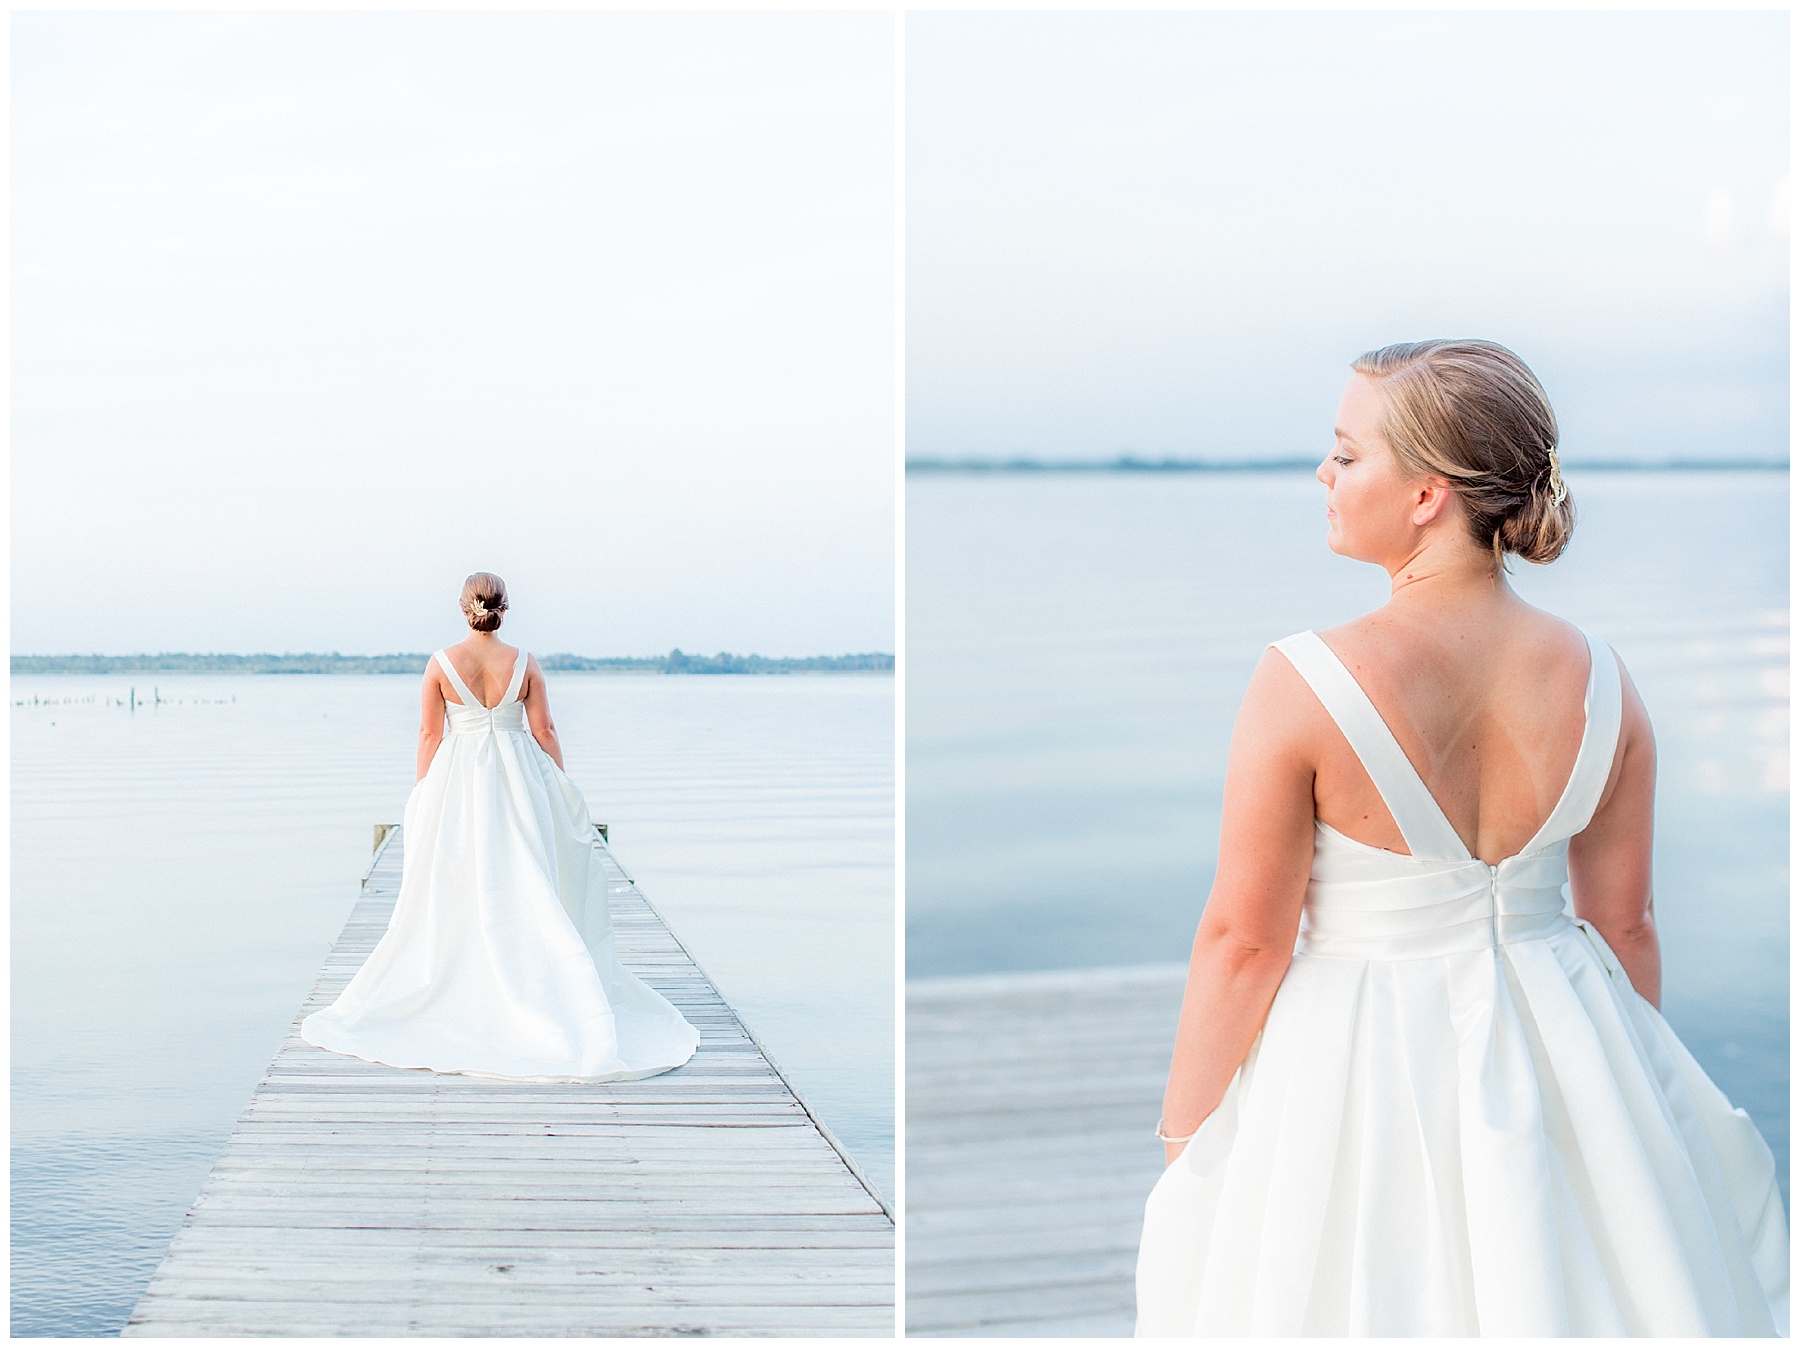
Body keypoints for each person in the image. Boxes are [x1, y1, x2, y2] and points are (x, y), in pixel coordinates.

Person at [1134, 341, 1787, 1337]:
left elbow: (1245, 941)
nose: (1323, 474)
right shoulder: (1605, 679)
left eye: (1347, 454)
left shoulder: (1302, 682)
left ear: (1427, 493)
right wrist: (1622, 1097)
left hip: (1355, 1060)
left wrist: (1187, 1134)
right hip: (1565, 1033)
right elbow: (1628, 924)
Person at [301, 572, 698, 1082]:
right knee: (525, 867)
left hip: (458, 777)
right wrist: (560, 782)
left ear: (462, 608)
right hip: (518, 778)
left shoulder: (440, 663)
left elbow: (429, 734)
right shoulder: (525, 663)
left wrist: (423, 791)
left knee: (462, 871)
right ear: (504, 609)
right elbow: (544, 729)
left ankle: (469, 971)